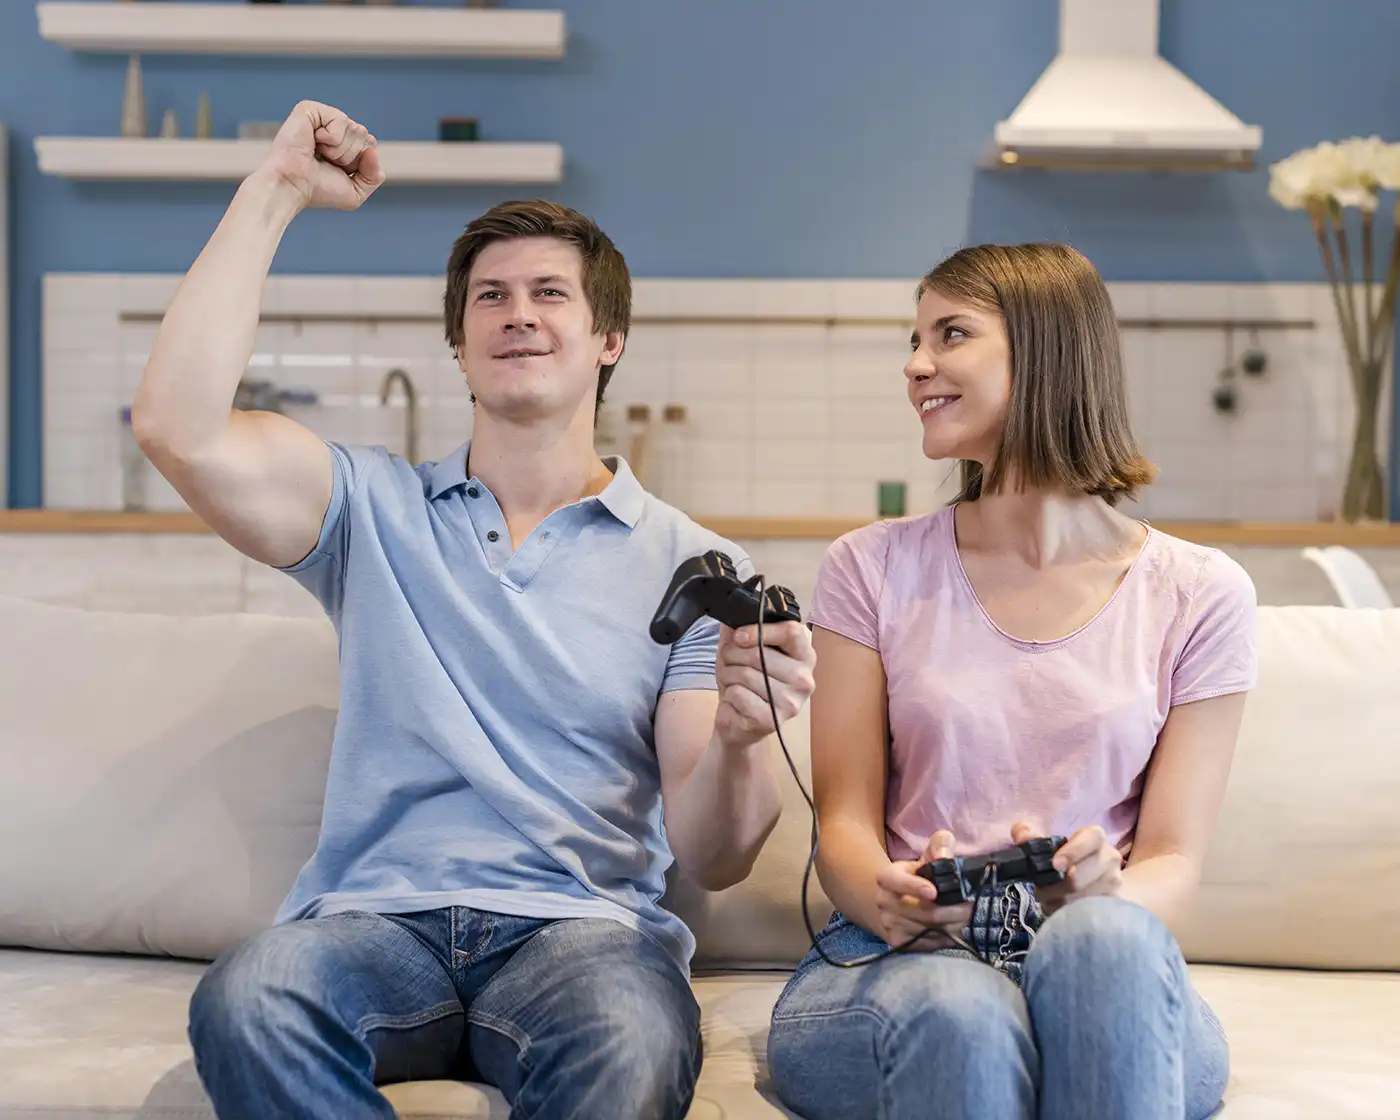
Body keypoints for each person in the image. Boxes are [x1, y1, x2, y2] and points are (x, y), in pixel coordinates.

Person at [132, 100, 817, 1120]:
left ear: (607, 340)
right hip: (376, 924)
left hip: (578, 934)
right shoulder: (368, 508)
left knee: (636, 1040)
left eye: (549, 292)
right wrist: (274, 190)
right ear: (459, 344)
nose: (517, 313)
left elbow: (715, 854)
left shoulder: (688, 562)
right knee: (251, 995)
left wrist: (739, 733)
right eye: (489, 298)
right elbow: (175, 426)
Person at [766, 242, 1257, 1120]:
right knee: (962, 1010)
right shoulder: (870, 569)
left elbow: (1174, 859)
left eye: (950, 335)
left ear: (1044, 350)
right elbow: (842, 824)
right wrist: (890, 899)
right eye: (914, 341)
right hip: (899, 961)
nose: (917, 366)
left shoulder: (1199, 593)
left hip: (1101, 959)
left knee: (1103, 941)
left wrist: (1104, 891)